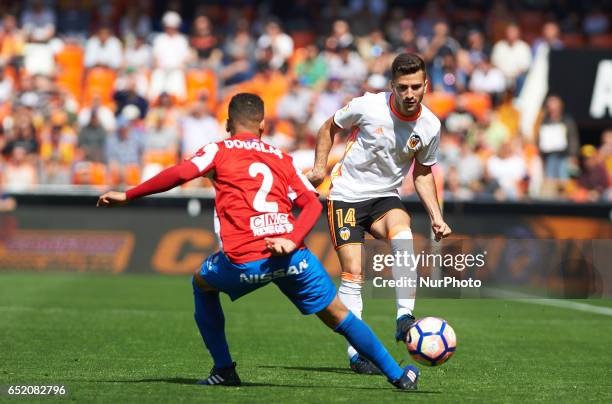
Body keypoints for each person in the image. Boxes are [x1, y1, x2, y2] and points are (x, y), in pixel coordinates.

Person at [97, 93, 420, 390]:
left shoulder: (218, 150)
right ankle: (398, 375)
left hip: (245, 259)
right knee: (338, 314)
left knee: (202, 284)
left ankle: (224, 370)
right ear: (263, 126)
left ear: (227, 125)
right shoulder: (280, 158)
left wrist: (128, 194)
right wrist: (292, 240)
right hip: (292, 258)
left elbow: (180, 174)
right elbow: (311, 203)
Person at [307, 53, 452, 374]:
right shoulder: (368, 106)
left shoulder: (430, 125)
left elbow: (423, 172)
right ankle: (356, 354)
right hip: (345, 197)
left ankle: (404, 318)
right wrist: (320, 169)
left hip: (385, 196)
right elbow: (327, 127)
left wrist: (436, 216)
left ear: (426, 85)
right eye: (403, 87)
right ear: (393, 87)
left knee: (403, 236)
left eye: (416, 86)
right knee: (354, 272)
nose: (410, 93)